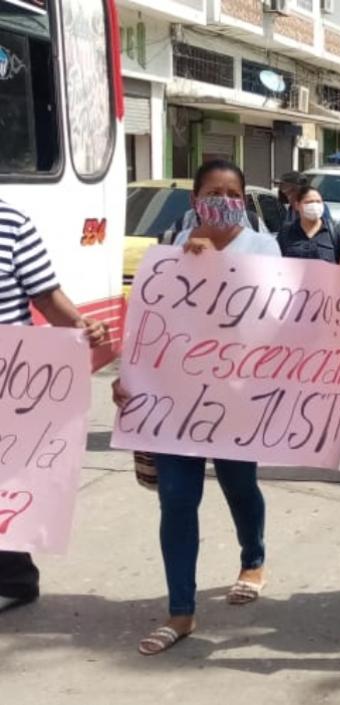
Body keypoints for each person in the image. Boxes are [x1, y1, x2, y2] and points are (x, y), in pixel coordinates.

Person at [111, 160, 281, 656]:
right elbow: (147, 326)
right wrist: (130, 379)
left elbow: (280, 321)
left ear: (244, 200)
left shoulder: (264, 249)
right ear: (195, 200)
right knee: (178, 501)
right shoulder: (167, 256)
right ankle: (181, 611)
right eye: (213, 191)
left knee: (239, 485)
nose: (223, 199)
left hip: (236, 400)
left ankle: (253, 560)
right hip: (175, 403)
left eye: (232, 192)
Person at [0, 199, 110, 614]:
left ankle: (14, 580)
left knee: (3, 481)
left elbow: (45, 296)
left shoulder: (11, 223)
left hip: (9, 379)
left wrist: (82, 327)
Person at [276, 186, 340, 263]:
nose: (314, 206)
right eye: (309, 202)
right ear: (297, 205)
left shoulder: (334, 232)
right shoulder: (286, 232)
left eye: (318, 201)